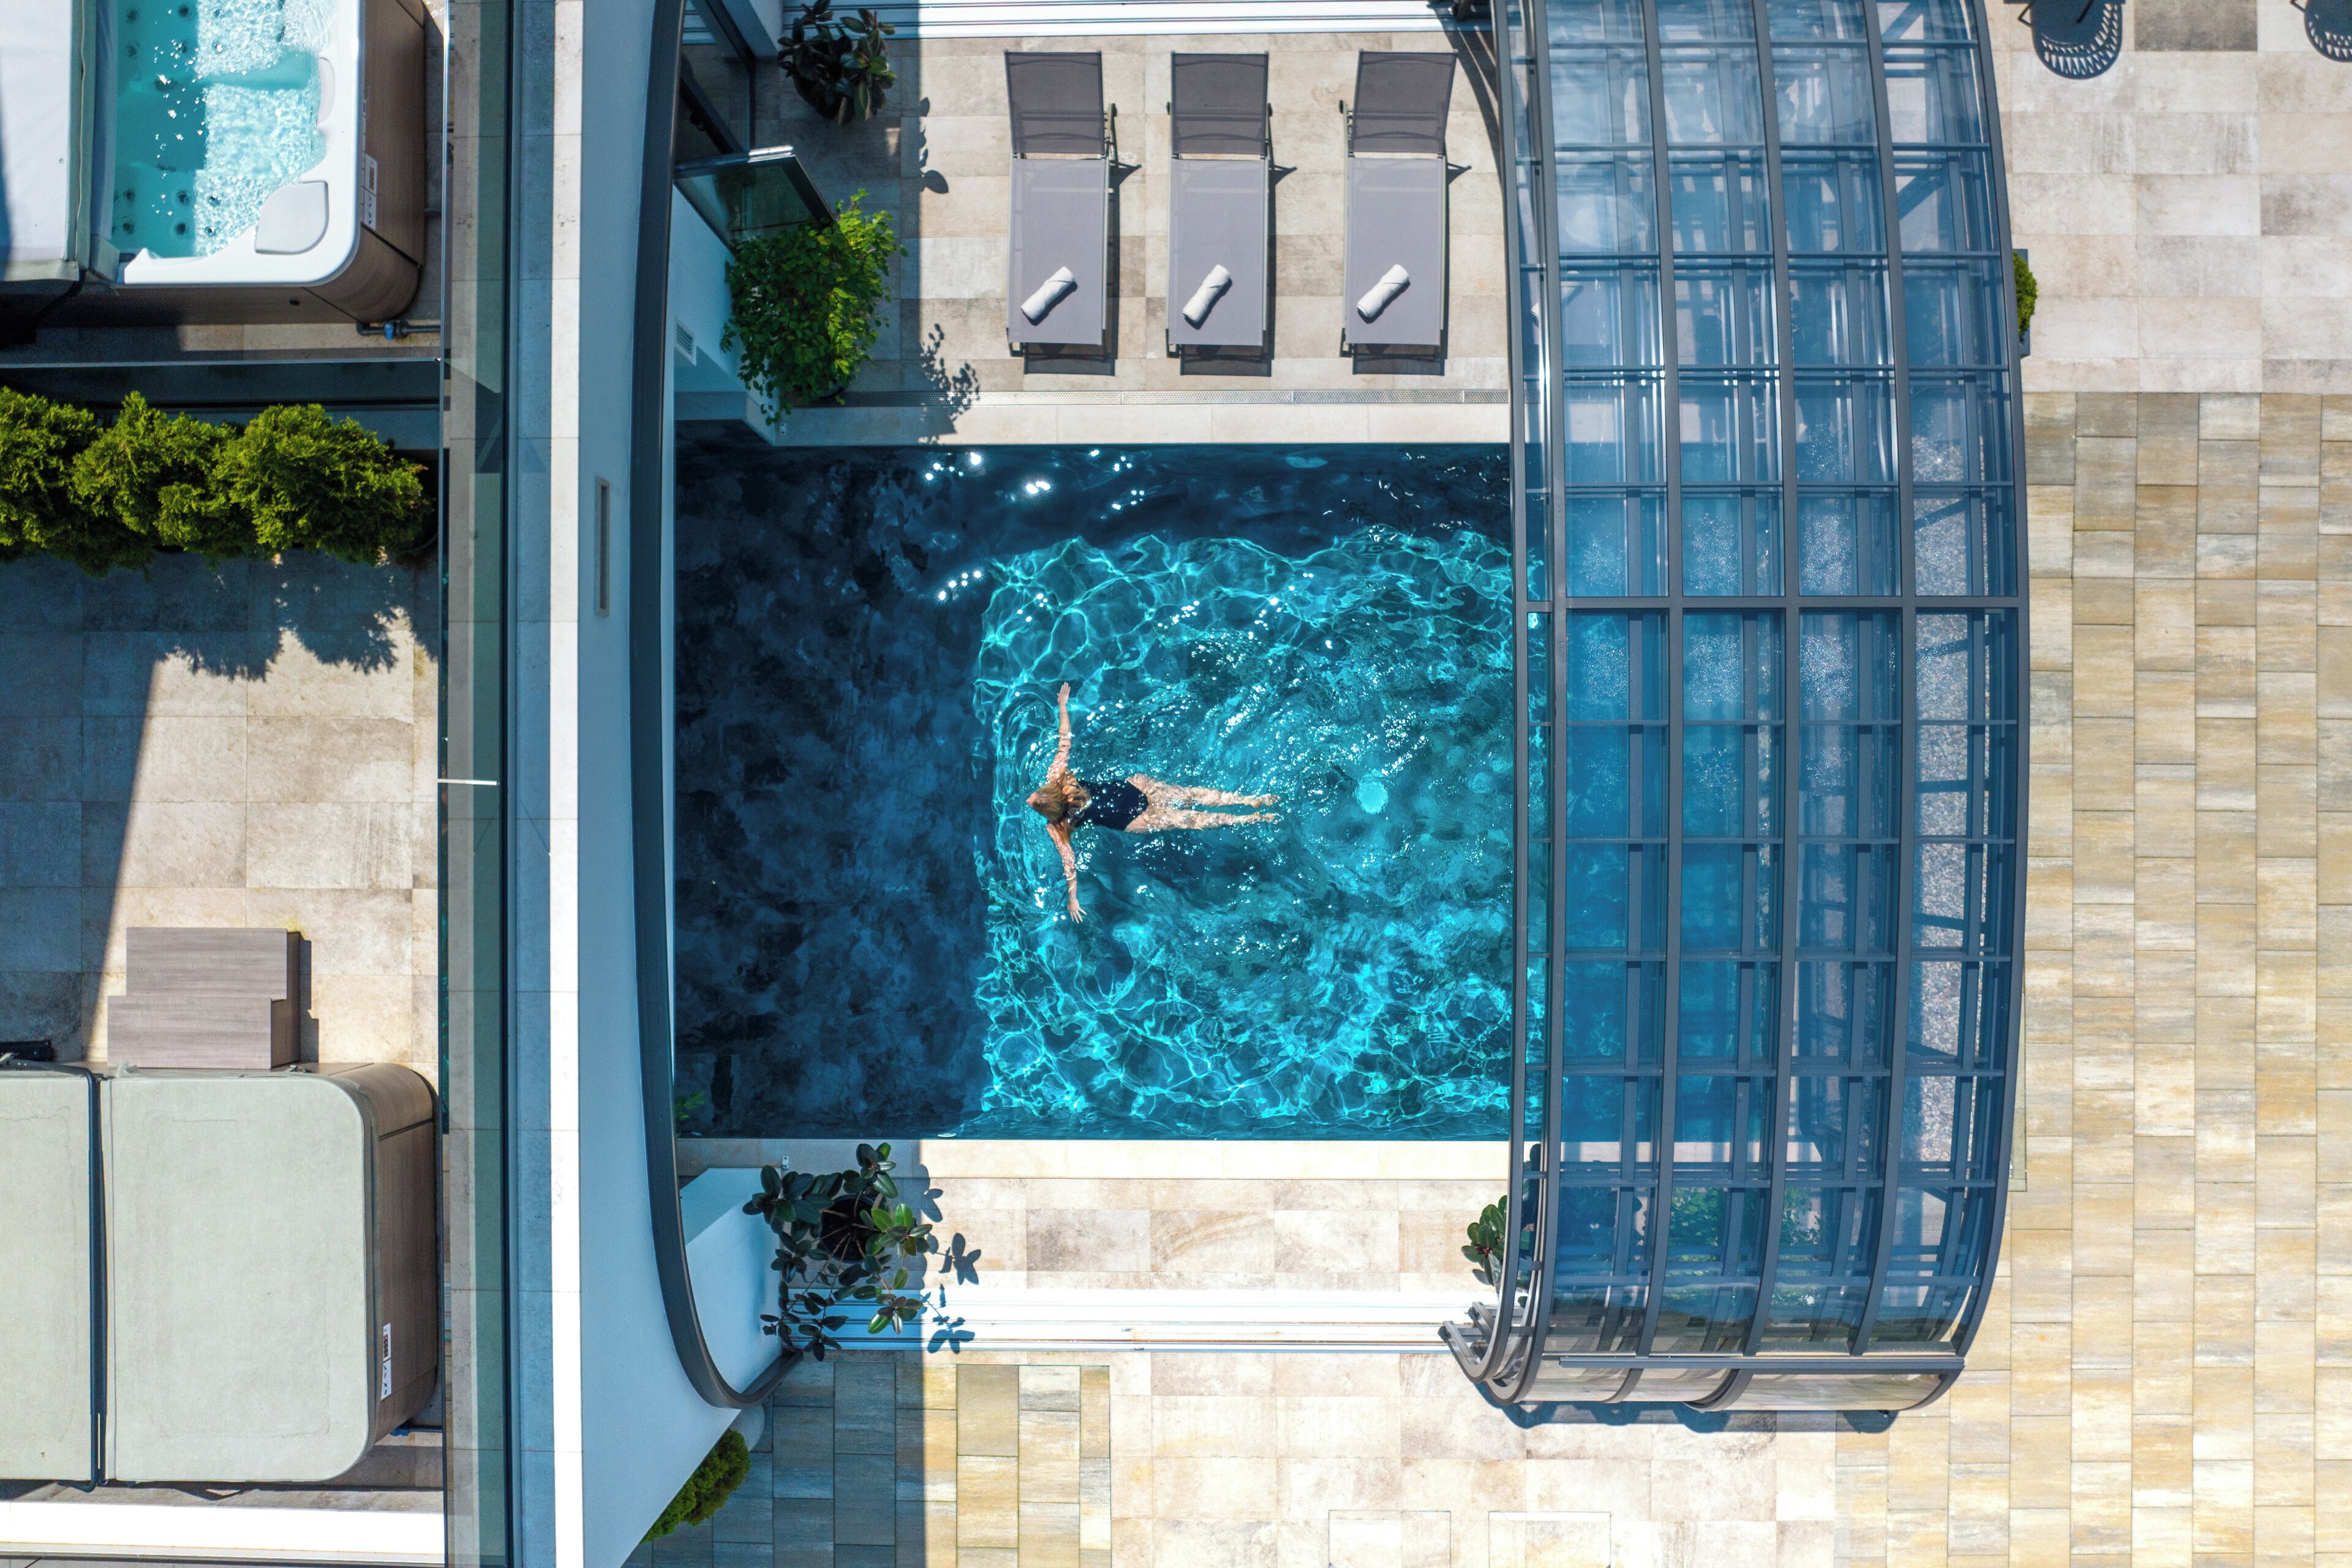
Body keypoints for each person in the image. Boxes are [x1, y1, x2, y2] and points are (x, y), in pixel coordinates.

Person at [1026, 682, 1278, 922]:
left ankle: (1250, 819)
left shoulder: (1057, 826)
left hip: (1132, 820)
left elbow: (1069, 862)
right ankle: (1250, 800)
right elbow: (1065, 740)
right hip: (1135, 788)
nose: (1030, 799)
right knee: (1192, 795)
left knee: (1192, 821)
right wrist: (1062, 705)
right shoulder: (1058, 777)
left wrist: (1072, 897)